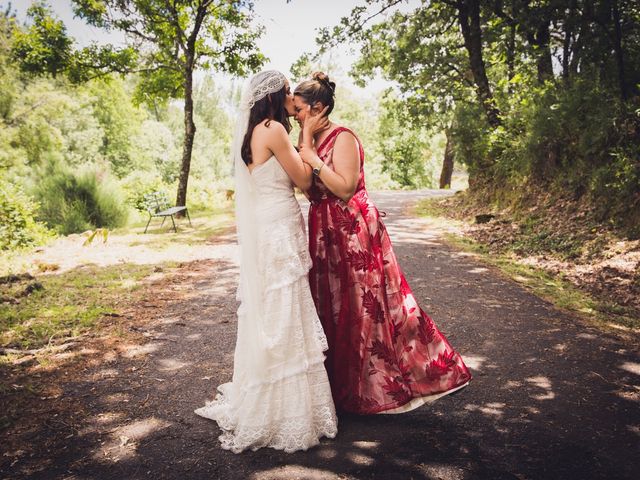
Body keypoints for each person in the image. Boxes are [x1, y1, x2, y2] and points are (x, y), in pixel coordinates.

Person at [295, 72, 472, 415]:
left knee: (367, 305)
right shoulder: (310, 141)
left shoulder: (342, 137)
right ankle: (343, 389)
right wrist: (306, 148)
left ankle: (404, 381)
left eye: (300, 111)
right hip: (324, 233)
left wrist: (313, 158)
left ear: (318, 108)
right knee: (333, 307)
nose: (297, 118)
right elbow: (311, 192)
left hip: (352, 231)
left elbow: (345, 188)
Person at [194, 70, 337, 452]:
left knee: (277, 309)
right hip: (277, 230)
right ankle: (283, 412)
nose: (293, 97)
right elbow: (304, 181)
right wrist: (307, 135)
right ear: (274, 96)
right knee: (284, 310)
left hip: (269, 226)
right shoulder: (274, 129)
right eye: (288, 90)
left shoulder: (255, 130)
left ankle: (280, 401)